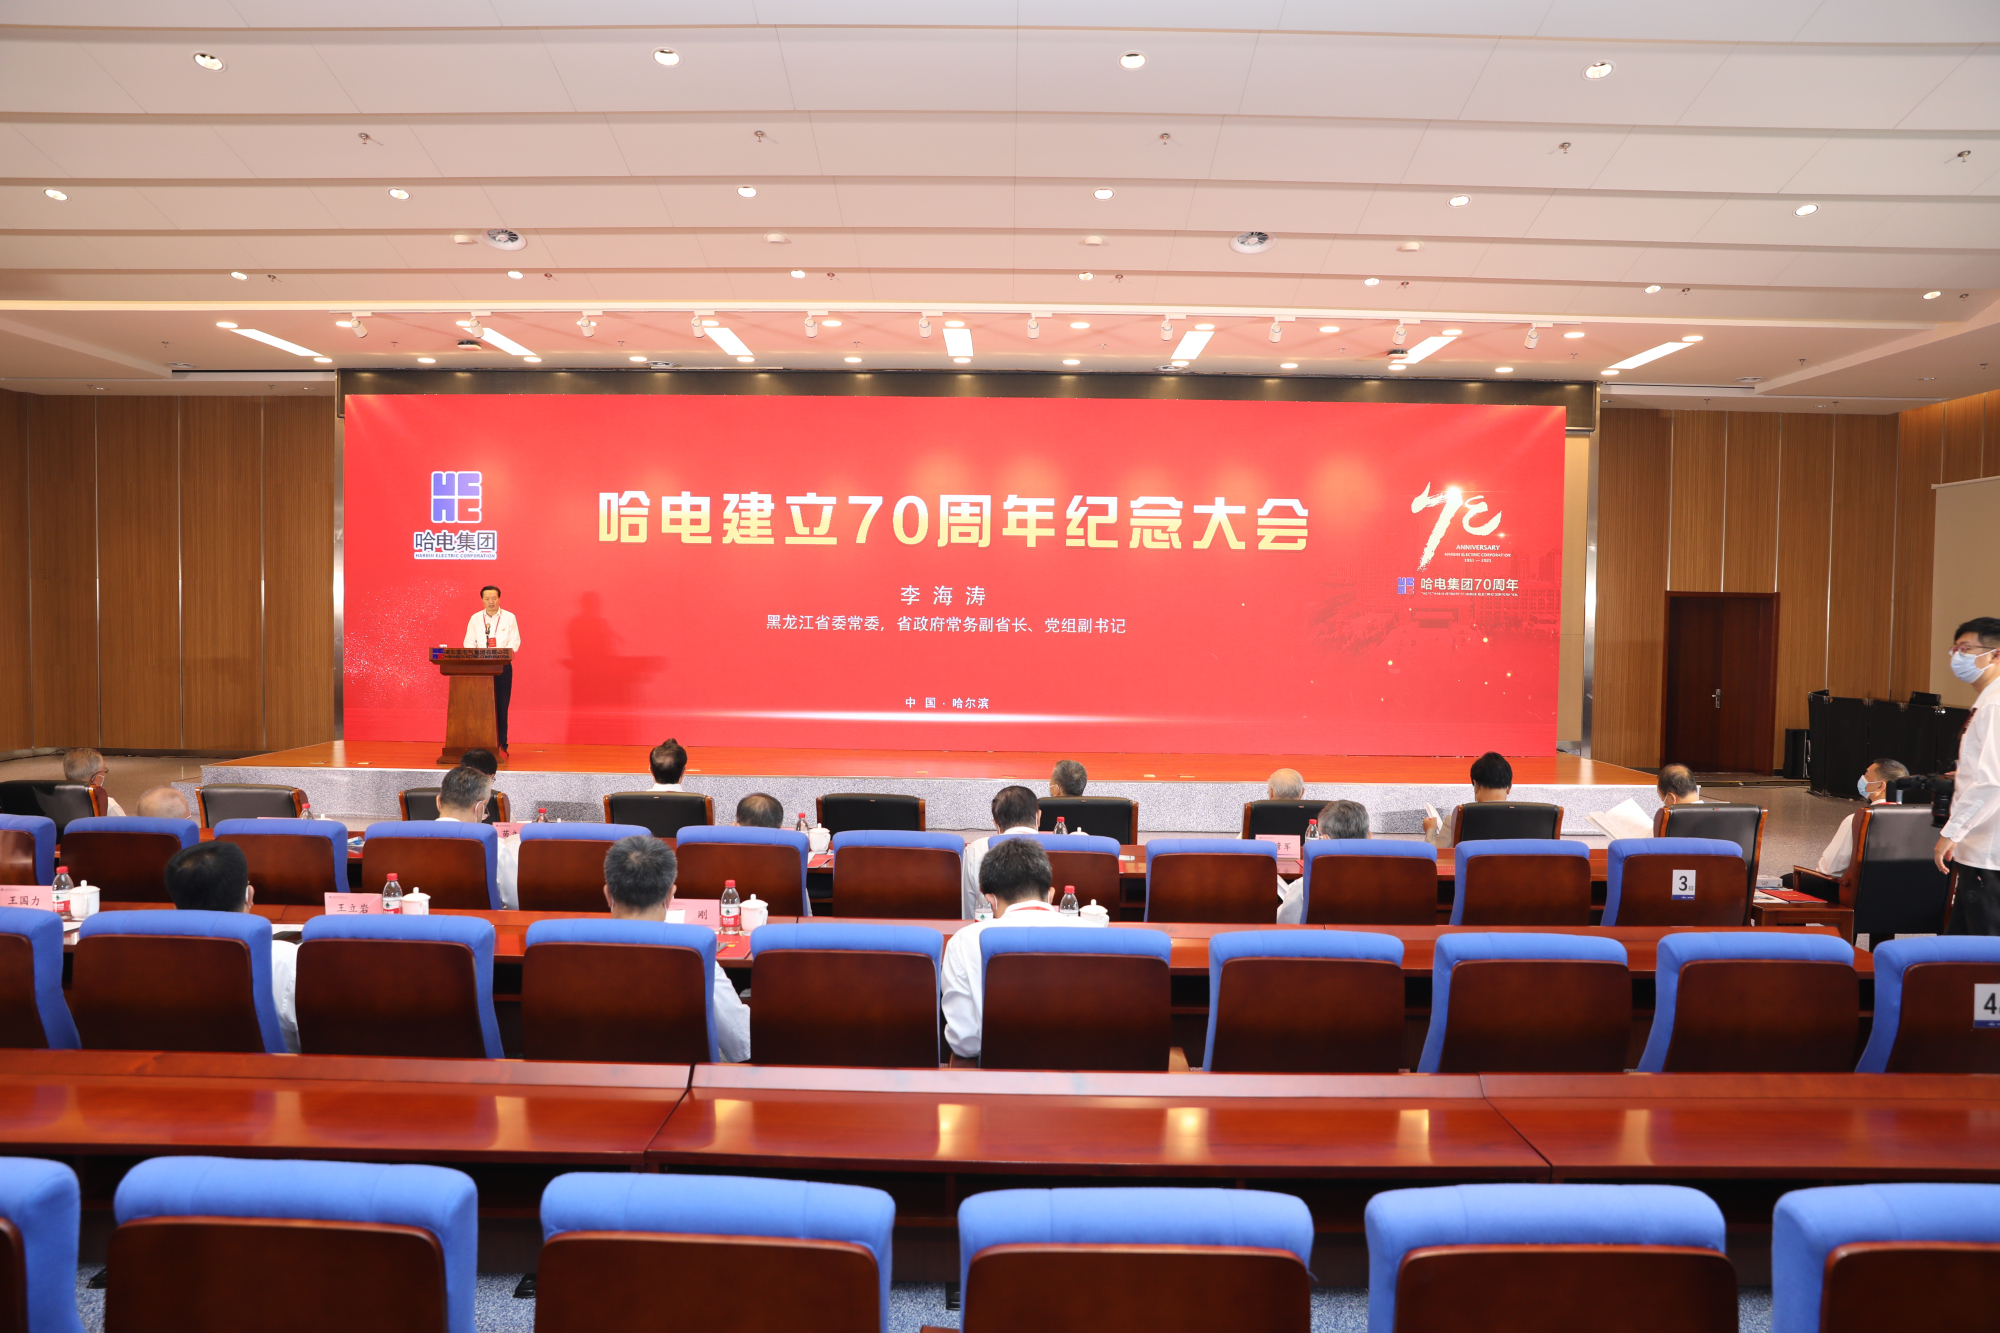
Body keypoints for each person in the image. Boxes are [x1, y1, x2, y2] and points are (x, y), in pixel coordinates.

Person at [601, 834, 750, 1061]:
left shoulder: (561, 947)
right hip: (682, 1079)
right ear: (670, 896)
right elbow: (741, 1042)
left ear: (607, 893)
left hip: (579, 1078)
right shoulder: (695, 953)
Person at [941, 839, 1082, 1060]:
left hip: (998, 1073)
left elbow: (965, 1042)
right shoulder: (1096, 933)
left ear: (991, 901)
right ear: (1051, 894)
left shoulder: (963, 941)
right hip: (1084, 1070)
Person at [163, 840, 296, 1053]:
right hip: (268, 1073)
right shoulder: (285, 962)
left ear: (176, 906)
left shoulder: (141, 960)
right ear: (248, 895)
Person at [1942, 617, 2000, 932]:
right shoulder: (1988, 700)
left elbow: (1992, 782)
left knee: (1982, 948)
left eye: (1965, 649)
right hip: (1982, 845)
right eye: (1955, 649)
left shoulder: (1994, 704)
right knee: (1960, 947)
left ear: (1996, 654)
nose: (1957, 656)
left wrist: (1953, 833)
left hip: (1989, 850)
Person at [433, 764, 519, 909]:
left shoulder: (405, 840)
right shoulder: (492, 848)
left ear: (438, 802)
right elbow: (517, 902)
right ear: (480, 808)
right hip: (480, 922)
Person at [1278, 799, 1369, 924]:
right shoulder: (1388, 881)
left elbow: (1282, 924)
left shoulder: (1306, 885)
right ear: (1369, 836)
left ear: (1325, 839)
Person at [1814, 759, 1909, 877]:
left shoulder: (1857, 820)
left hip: (1857, 887)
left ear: (1880, 786)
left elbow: (1829, 869)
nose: (1862, 779)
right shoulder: (1918, 821)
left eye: (1867, 776)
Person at [960, 785, 1042, 919]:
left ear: (996, 823)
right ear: (1038, 816)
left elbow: (969, 912)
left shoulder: (976, 849)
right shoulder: (1065, 846)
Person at [463, 584, 520, 751]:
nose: (491, 602)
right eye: (487, 599)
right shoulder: (475, 618)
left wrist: (502, 654)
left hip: (502, 666)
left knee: (501, 705)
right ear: (482, 600)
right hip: (480, 668)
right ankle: (480, 743)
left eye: (494, 598)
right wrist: (477, 657)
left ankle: (501, 743)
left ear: (499, 598)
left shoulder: (509, 617)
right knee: (480, 705)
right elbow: (468, 642)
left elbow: (515, 641)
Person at [1424, 751, 1514, 849]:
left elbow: (1435, 853)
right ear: (1509, 787)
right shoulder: (1522, 818)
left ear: (1476, 785)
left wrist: (1430, 829)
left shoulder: (1457, 819)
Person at [63, 748, 124, 817]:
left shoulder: (57, 801)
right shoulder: (108, 805)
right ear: (96, 778)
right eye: (104, 771)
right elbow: (125, 824)